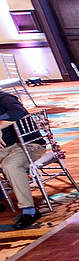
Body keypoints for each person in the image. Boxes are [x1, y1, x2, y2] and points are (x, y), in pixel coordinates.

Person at [0, 90, 44, 229]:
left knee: (10, 165)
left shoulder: (4, 98)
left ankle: (30, 211)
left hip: (29, 145)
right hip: (5, 149)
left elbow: (19, 112)